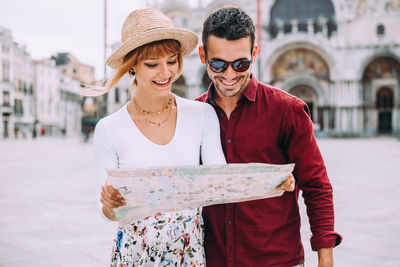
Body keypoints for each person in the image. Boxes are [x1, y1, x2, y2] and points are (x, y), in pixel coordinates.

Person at [89, 8, 295, 267]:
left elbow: (219, 181)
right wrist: (109, 204)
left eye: (172, 61)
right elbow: (106, 210)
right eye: (152, 64)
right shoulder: (109, 129)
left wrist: (268, 183)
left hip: (190, 253)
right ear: (132, 66)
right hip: (136, 255)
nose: (166, 73)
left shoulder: (201, 114)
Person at [196, 7, 342, 267]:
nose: (229, 76)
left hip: (276, 261)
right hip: (212, 260)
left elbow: (316, 186)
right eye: (218, 64)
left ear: (254, 53)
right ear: (202, 56)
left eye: (240, 64)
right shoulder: (190, 117)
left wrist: (325, 258)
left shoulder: (288, 111)